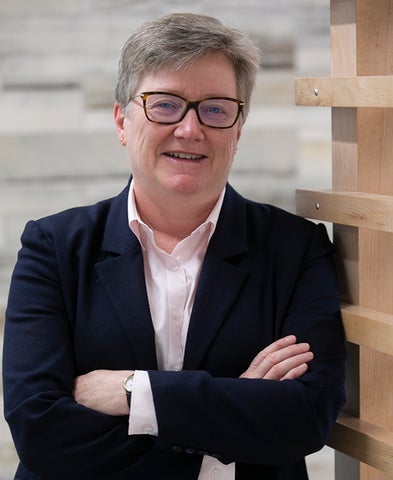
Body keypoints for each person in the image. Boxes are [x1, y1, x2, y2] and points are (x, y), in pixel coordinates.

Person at [2, 12, 346, 480]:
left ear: (238, 130)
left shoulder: (298, 249)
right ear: (122, 120)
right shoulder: (54, 247)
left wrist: (134, 393)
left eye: (216, 108)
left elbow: (304, 420)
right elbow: (40, 432)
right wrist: (233, 410)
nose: (190, 129)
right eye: (165, 105)